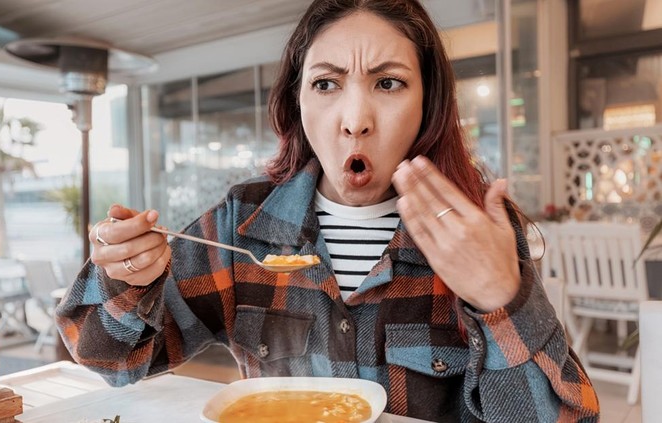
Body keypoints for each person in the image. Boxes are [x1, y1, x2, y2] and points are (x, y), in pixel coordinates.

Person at [56, 0, 600, 421]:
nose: (355, 119)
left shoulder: (477, 231)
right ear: (298, 100)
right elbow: (113, 361)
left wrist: (500, 299)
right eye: (326, 84)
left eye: (388, 83)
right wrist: (126, 276)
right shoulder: (241, 222)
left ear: (427, 101)